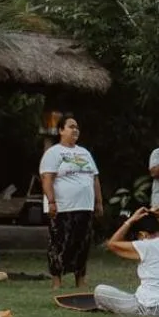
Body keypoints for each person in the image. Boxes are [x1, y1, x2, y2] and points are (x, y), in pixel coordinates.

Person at [39, 114, 104, 290]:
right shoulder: (54, 153)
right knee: (59, 243)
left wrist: (98, 202)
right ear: (61, 130)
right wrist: (51, 202)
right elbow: (47, 179)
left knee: (82, 243)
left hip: (85, 206)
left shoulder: (85, 153)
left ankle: (80, 280)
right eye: (71, 126)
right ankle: (57, 281)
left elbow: (94, 178)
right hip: (63, 207)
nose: (75, 130)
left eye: (77, 127)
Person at [93, 206, 159, 317]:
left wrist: (130, 220)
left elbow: (111, 244)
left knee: (100, 291)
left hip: (155, 309)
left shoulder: (146, 246)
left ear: (142, 235)